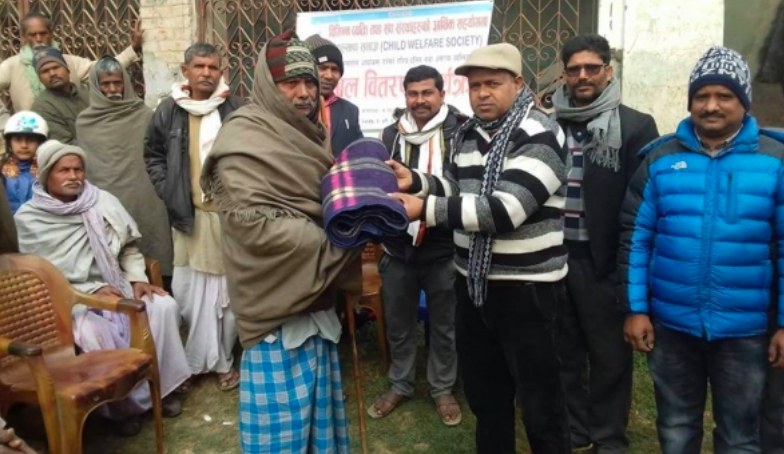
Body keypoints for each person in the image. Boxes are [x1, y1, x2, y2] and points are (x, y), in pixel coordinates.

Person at [389, 43, 570, 454]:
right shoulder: (468, 134)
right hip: (472, 286)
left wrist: (425, 209)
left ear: (518, 84)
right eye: (474, 86)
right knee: (487, 402)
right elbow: (457, 188)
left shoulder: (540, 132)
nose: (482, 93)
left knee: (541, 406)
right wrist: (415, 181)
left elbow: (505, 210)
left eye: (493, 83)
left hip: (528, 292)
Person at [201, 30, 360, 454]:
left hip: (317, 300)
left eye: (309, 82)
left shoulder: (310, 133)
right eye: (291, 82)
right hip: (274, 304)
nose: (304, 93)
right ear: (269, 85)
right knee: (280, 436)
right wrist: (338, 240)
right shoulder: (243, 137)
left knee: (319, 428)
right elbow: (256, 228)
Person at [619, 46, 784, 454]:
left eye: (724, 96)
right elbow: (636, 239)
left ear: (744, 101)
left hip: (745, 331)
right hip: (673, 327)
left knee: (740, 435)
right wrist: (636, 308)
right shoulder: (660, 159)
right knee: (676, 428)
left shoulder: (775, 160)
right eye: (701, 96)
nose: (711, 106)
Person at [14, 141, 191, 436]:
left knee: (163, 306)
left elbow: (128, 248)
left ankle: (161, 391)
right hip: (69, 300)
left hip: (117, 285)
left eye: (78, 169)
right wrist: (88, 295)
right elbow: (36, 279)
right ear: (46, 175)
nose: (73, 176)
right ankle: (123, 408)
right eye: (64, 170)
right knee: (93, 331)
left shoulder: (102, 201)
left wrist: (136, 278)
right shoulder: (28, 219)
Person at [550, 34, 659, 454]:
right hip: (555, 259)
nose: (582, 76)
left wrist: (627, 269)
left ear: (608, 72)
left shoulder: (635, 126)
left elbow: (642, 205)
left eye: (592, 68)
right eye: (574, 69)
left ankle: (609, 437)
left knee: (610, 357)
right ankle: (576, 431)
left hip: (603, 263)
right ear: (564, 74)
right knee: (564, 352)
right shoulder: (547, 124)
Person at [144, 43, 243, 391]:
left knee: (227, 294)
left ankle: (222, 360)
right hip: (189, 217)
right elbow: (153, 155)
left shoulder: (235, 108)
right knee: (191, 292)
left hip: (230, 217)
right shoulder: (169, 110)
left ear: (221, 71)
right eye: (199, 66)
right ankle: (197, 362)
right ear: (185, 71)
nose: (206, 73)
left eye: (213, 67)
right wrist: (168, 188)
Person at [369, 65, 464, 425]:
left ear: (442, 94)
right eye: (413, 93)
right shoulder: (390, 135)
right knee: (399, 323)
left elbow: (462, 184)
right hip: (398, 249)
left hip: (444, 248)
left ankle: (442, 389)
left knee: (445, 324)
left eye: (427, 92)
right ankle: (401, 384)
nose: (419, 100)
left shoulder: (460, 132)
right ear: (405, 95)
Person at [76, 57, 173, 282]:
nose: (112, 89)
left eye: (117, 83)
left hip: (145, 197)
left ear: (125, 83)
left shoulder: (144, 115)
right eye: (105, 84)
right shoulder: (85, 122)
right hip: (105, 201)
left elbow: (157, 155)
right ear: (96, 86)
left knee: (153, 246)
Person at [0, 12, 142, 113]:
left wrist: (133, 49)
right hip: (31, 137)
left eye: (43, 33)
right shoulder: (12, 66)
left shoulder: (69, 61)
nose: (38, 39)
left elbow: (103, 69)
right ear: (24, 37)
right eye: (32, 35)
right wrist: (5, 121)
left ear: (51, 33)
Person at [304, 34, 363, 155]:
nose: (329, 76)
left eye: (335, 69)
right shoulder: (295, 106)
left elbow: (359, 151)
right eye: (322, 68)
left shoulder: (350, 111)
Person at [30, 47, 89, 144]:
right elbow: (64, 144)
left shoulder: (87, 92)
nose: (52, 74)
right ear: (39, 78)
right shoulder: (42, 107)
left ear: (67, 69)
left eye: (56, 68)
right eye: (45, 71)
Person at [2, 112, 48, 214]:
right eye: (18, 139)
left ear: (40, 142)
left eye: (31, 140)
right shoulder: (2, 170)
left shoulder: (47, 169)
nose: (24, 145)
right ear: (9, 142)